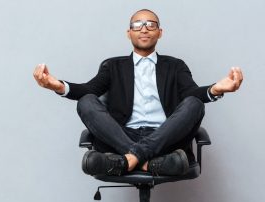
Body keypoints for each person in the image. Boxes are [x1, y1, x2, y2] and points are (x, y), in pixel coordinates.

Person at [34, 9, 243, 177]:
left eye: (151, 24)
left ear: (160, 32)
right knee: (86, 101)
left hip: (165, 136)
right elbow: (89, 90)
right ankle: (148, 163)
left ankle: (126, 161)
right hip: (123, 135)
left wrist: (215, 89)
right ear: (129, 33)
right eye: (137, 25)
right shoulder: (113, 66)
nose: (144, 29)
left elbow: (191, 92)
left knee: (194, 104)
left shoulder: (175, 65)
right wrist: (58, 86)